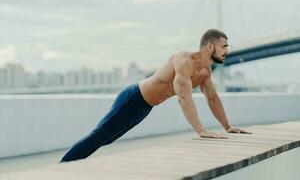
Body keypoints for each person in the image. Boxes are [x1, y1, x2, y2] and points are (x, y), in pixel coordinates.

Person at [60, 29, 251, 163]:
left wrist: (227, 126)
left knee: (106, 139)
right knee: (98, 136)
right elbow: (184, 97)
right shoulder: (184, 61)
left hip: (146, 106)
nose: (227, 51)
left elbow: (213, 99)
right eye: (224, 46)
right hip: (133, 98)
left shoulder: (205, 72)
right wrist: (201, 130)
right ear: (210, 47)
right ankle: (60, 170)